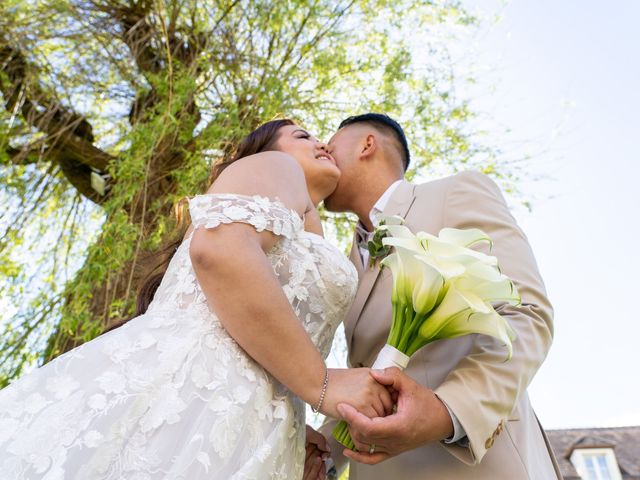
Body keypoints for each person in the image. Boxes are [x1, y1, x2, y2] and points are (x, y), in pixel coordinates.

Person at [0, 119, 392, 479]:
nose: (321, 143)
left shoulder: (303, 229)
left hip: (247, 430)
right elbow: (220, 249)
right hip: (190, 399)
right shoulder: (277, 167)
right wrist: (320, 383)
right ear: (265, 150)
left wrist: (290, 421)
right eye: (303, 136)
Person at [307, 113, 562, 479]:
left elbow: (527, 315)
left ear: (367, 144)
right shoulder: (346, 263)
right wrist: (326, 451)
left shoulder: (454, 193)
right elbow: (368, 373)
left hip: (474, 467)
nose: (323, 155)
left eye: (330, 146)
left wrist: (447, 411)